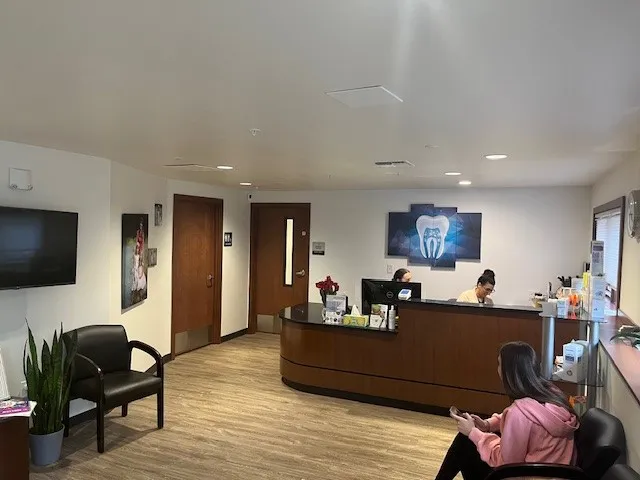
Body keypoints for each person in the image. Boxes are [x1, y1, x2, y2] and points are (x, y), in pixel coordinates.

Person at [435, 342, 579, 480]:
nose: (497, 369)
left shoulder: (518, 413)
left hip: (526, 474)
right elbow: (528, 418)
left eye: (499, 364)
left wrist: (473, 433)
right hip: (557, 473)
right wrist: (487, 425)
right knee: (467, 439)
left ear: (508, 372)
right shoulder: (552, 394)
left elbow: (506, 466)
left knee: (465, 440)